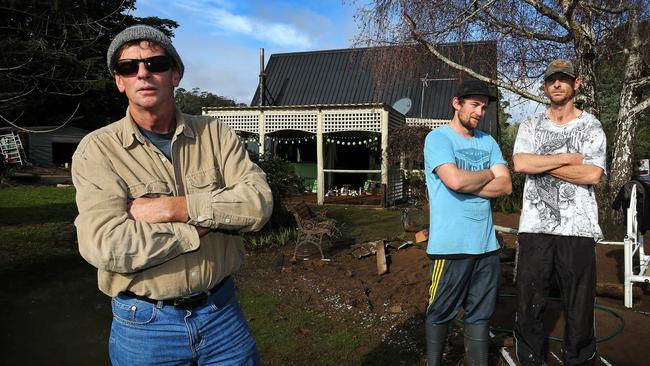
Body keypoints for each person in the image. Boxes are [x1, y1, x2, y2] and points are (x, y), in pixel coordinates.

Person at [71, 25, 273, 365]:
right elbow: (106, 245)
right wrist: (199, 225)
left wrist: (172, 208)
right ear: (119, 81)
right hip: (145, 327)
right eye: (128, 67)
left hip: (222, 314)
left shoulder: (216, 134)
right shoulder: (98, 151)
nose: (143, 73)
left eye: (156, 64)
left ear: (175, 74)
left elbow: (258, 204)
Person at [512, 59, 606, 366]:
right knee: (530, 301)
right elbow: (522, 164)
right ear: (545, 85)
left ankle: (578, 359)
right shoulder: (531, 125)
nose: (557, 84)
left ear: (575, 84)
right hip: (535, 228)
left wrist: (544, 163)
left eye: (563, 79)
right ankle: (530, 359)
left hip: (577, 229)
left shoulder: (590, 125)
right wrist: (568, 158)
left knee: (578, 305)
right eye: (551, 79)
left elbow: (592, 175)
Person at [423, 79, 512, 365]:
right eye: (474, 105)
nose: (479, 112)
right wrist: (488, 174)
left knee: (480, 314)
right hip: (450, 246)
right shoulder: (438, 139)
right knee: (439, 312)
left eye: (484, 108)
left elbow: (507, 186)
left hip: (486, 246)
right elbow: (455, 180)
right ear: (457, 103)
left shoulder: (489, 141)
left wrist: (468, 180)